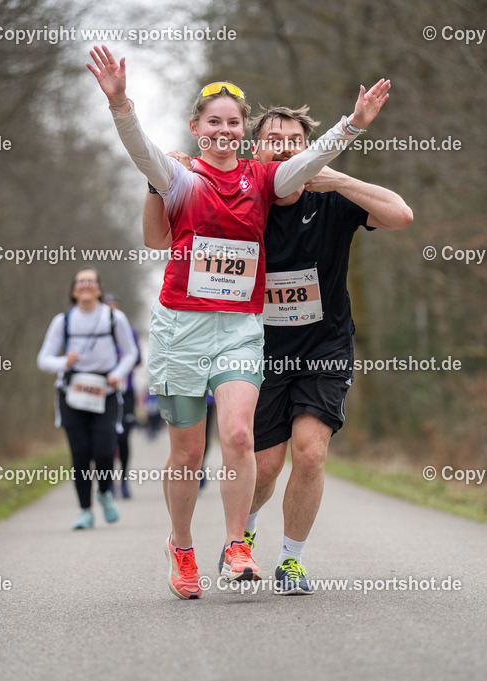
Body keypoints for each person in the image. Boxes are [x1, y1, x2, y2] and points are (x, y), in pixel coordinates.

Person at [87, 44, 390, 599]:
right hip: (181, 328)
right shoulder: (180, 179)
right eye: (214, 123)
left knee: (237, 433)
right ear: (197, 127)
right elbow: (140, 152)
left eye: (233, 122)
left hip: (239, 328)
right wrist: (121, 103)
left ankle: (235, 546)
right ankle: (181, 548)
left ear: (243, 129)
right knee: (185, 451)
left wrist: (351, 125)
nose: (224, 131)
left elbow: (305, 163)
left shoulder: (262, 179)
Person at [143, 105, 412, 595]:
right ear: (255, 149)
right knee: (262, 465)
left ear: (309, 150)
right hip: (257, 347)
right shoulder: (248, 198)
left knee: (310, 453)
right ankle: (240, 535)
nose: (285, 146)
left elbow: (401, 214)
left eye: (295, 141)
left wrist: (338, 180)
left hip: (323, 347)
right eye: (274, 139)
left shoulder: (331, 199)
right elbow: (169, 239)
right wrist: (168, 178)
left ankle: (290, 559)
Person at [37, 267, 138, 530]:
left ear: (99, 289)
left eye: (91, 281)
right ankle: (85, 510)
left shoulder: (115, 318)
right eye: (80, 281)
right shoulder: (64, 320)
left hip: (105, 390)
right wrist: (64, 361)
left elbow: (131, 353)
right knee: (80, 454)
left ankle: (104, 492)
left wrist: (117, 374)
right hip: (72, 393)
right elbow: (43, 359)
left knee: (105, 450)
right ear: (73, 290)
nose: (86, 285)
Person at [104, 293, 140, 499]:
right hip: (105, 393)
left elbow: (137, 358)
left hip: (126, 392)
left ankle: (124, 481)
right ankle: (108, 484)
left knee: (124, 437)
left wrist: (121, 362)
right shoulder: (97, 333)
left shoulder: (129, 331)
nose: (112, 311)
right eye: (108, 307)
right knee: (106, 438)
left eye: (115, 307)